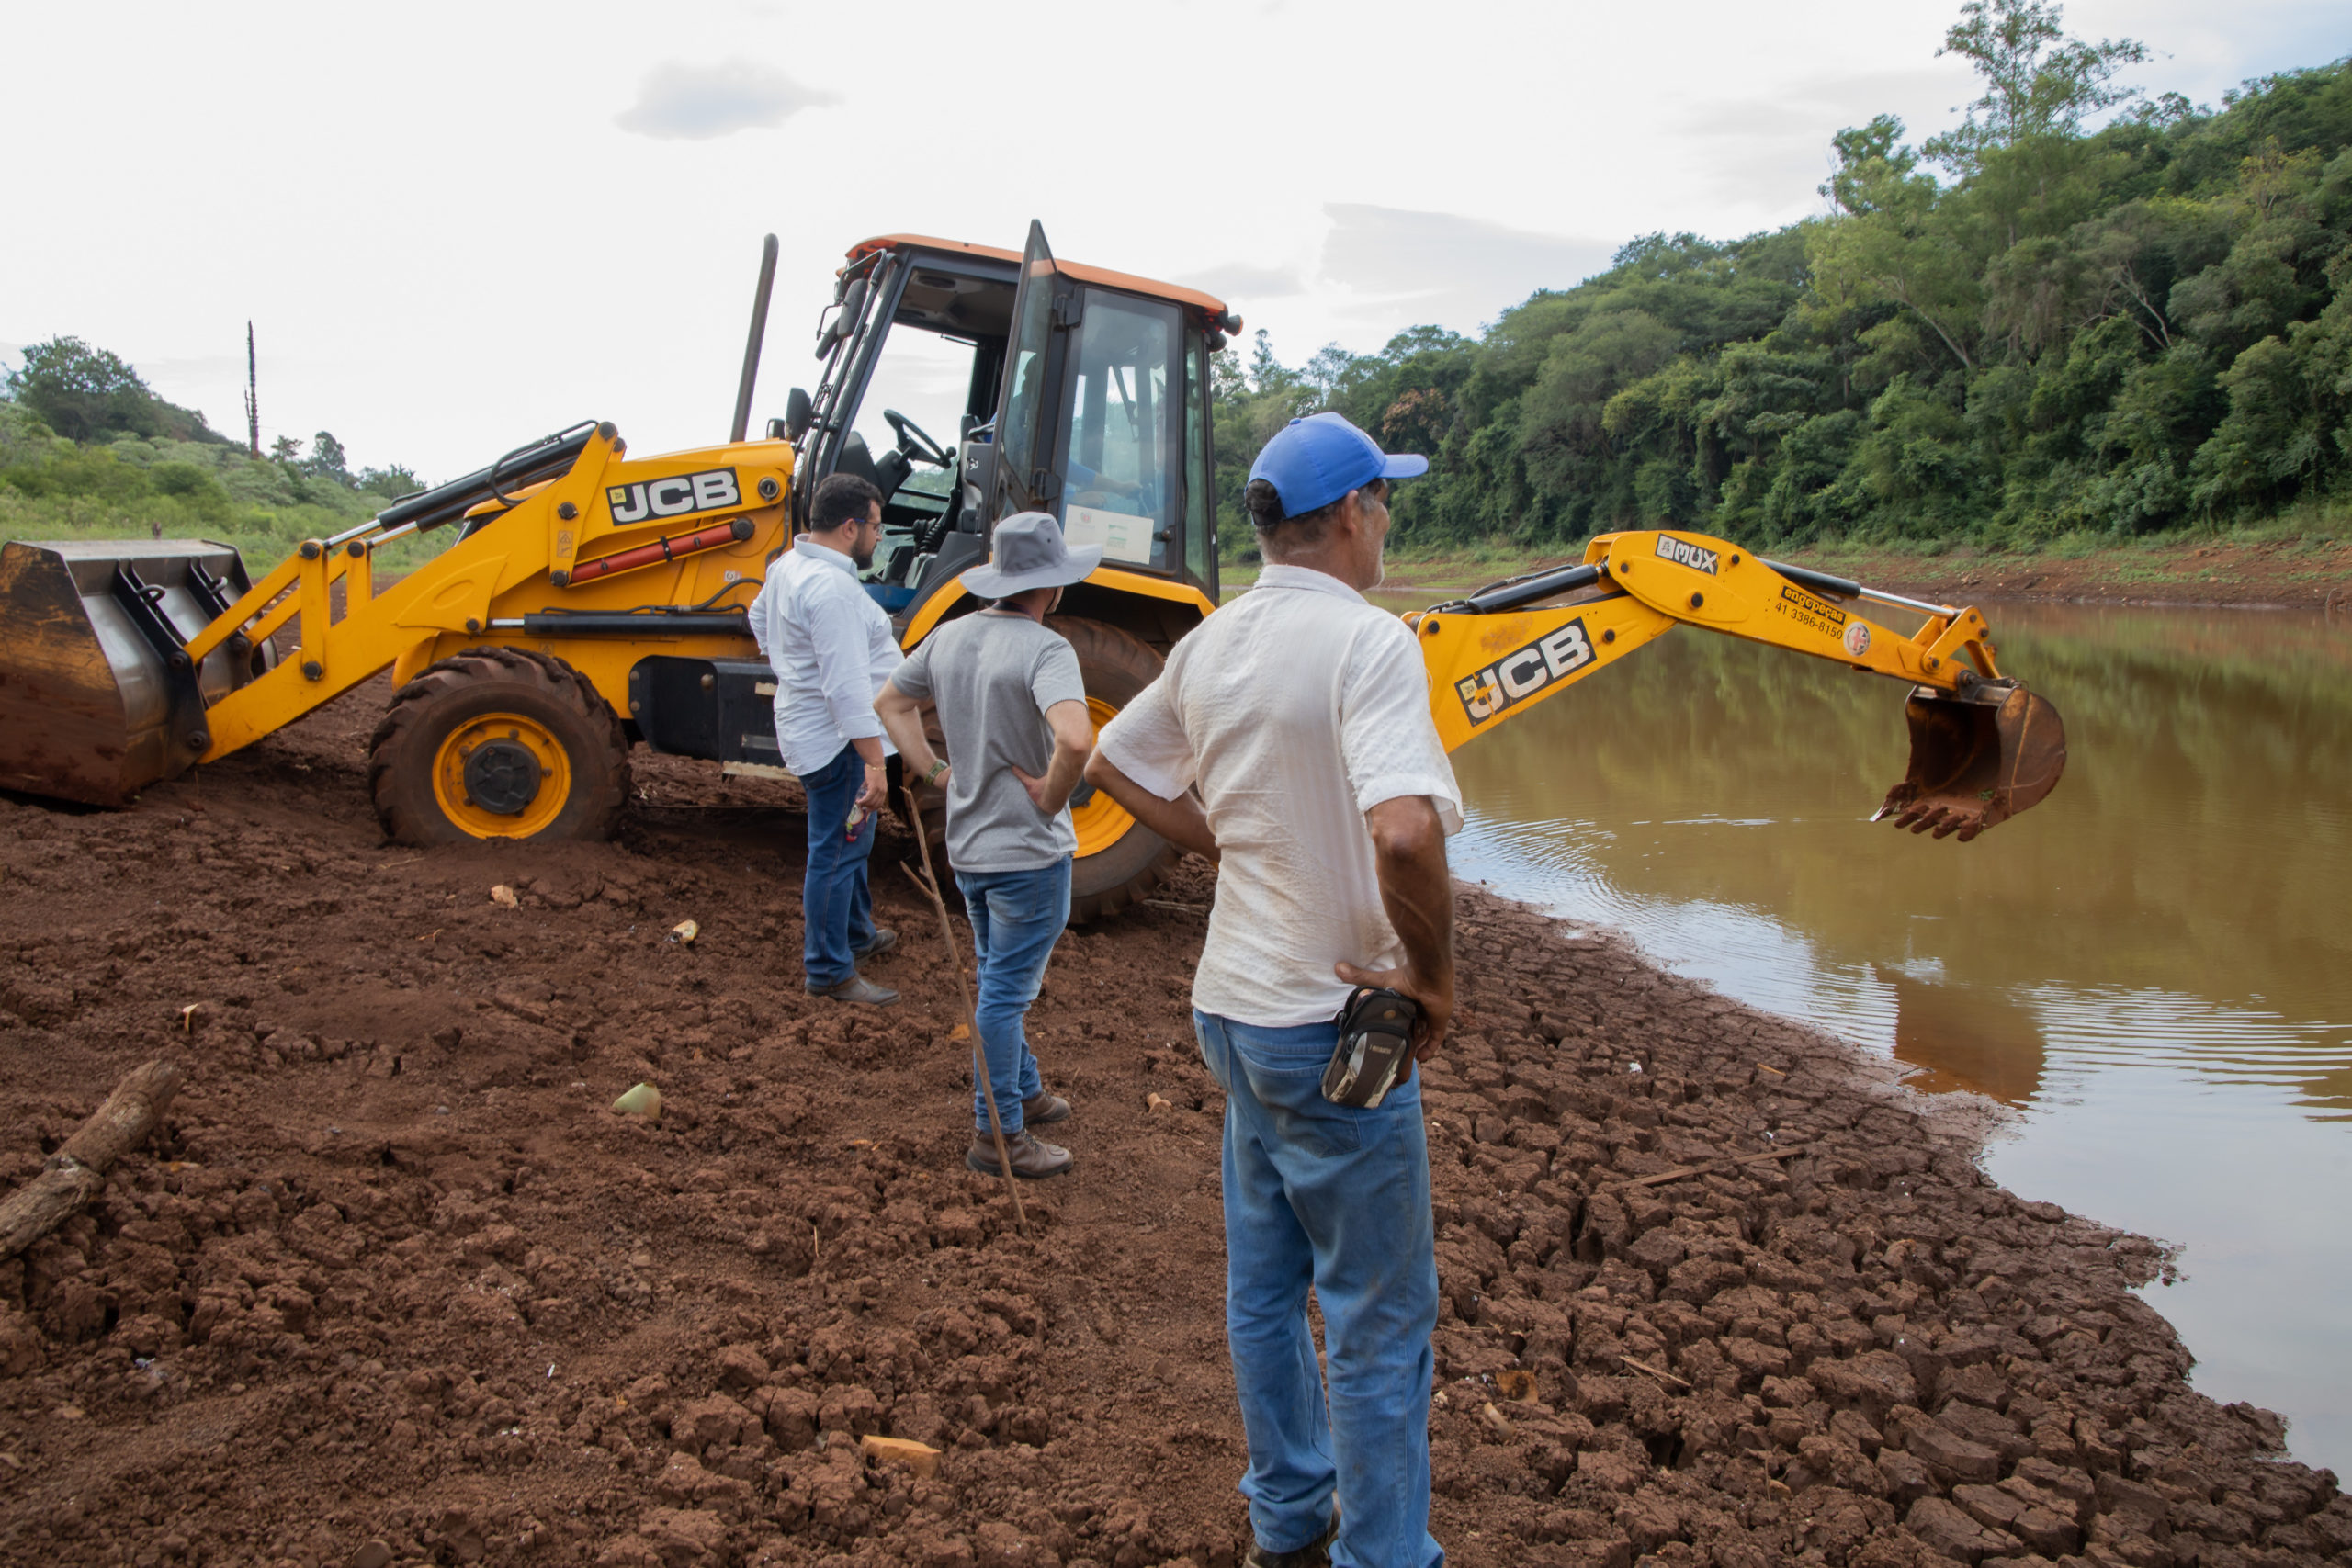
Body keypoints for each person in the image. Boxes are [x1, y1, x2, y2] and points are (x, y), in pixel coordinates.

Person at [1085, 412, 1460, 1568]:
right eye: (1383, 502)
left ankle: (1287, 1521)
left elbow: (1112, 763)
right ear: (1350, 512)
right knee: (1378, 1315)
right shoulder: (1368, 643)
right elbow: (1404, 831)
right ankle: (1382, 1554)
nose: (1385, 522)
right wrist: (1432, 978)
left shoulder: (1210, 644)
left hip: (1233, 1013)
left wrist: (1233, 849)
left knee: (1264, 1287)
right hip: (1327, 1028)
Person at [876, 512, 1099, 1179]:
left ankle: (1024, 1091)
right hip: (1029, 856)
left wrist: (933, 772)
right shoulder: (1047, 650)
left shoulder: (949, 636)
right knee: (1004, 995)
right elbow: (1077, 739)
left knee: (995, 974)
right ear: (1052, 586)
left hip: (968, 850)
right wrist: (1051, 796)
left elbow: (890, 703)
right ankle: (997, 1133)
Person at [749, 472, 902, 1007]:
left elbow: (757, 618)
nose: (879, 536)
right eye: (876, 527)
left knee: (853, 844)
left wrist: (793, 668)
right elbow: (845, 690)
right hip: (838, 743)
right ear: (850, 527)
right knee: (837, 851)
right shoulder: (831, 589)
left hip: (815, 728)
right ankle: (829, 971)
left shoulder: (789, 566)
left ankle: (856, 933)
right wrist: (875, 764)